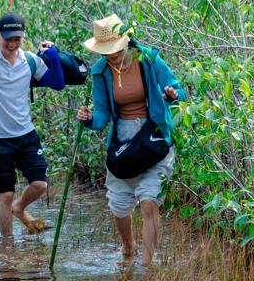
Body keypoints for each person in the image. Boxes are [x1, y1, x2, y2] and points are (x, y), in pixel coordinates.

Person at [75, 14, 183, 267]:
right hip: (122, 139)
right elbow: (102, 114)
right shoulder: (100, 71)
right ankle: (128, 248)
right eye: (105, 51)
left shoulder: (148, 59)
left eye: (114, 49)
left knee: (148, 201)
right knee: (120, 205)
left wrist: (171, 94)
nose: (110, 55)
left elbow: (177, 87)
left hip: (155, 136)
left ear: (126, 41)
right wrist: (89, 118)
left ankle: (146, 265)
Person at [0, 12, 65, 236]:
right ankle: (7, 246)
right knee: (5, 194)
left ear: (23, 37)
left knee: (40, 184)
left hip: (25, 133)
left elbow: (57, 84)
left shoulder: (30, 60)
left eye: (17, 39)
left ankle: (19, 208)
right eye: (7, 38)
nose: (11, 44)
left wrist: (53, 56)